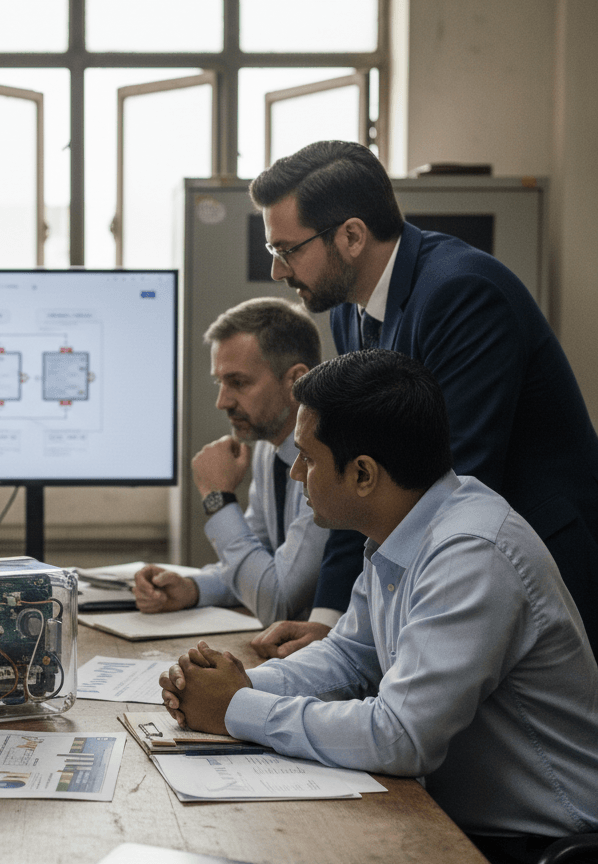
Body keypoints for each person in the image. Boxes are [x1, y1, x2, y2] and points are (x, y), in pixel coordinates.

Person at [159, 350, 598, 861]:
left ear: (364, 474)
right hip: (451, 818)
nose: (297, 474)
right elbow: (348, 656)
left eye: (307, 457)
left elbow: (401, 736)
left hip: (541, 843)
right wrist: (234, 684)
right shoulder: (404, 527)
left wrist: (237, 708)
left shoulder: (471, 554)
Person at [247, 139, 598, 659]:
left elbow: (450, 480)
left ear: (351, 236)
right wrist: (331, 619)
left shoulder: (463, 293)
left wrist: (353, 640)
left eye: (286, 250)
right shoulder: (350, 309)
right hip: (454, 560)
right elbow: (348, 474)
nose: (277, 271)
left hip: (538, 568)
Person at [133, 298, 330, 627]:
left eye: (238, 383)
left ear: (296, 380)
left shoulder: (327, 459)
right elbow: (256, 563)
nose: (222, 401)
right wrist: (192, 588)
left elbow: (277, 601)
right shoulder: (270, 448)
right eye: (219, 382)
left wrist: (217, 497)